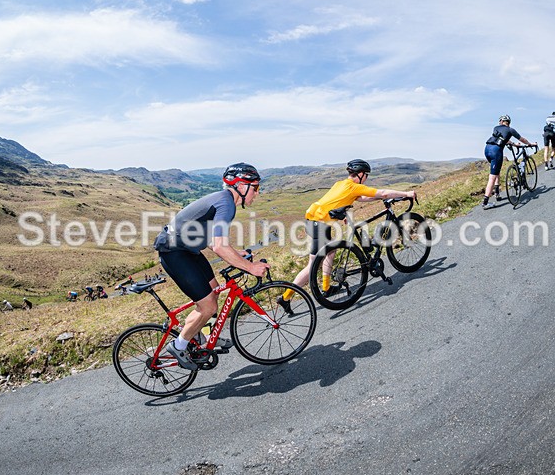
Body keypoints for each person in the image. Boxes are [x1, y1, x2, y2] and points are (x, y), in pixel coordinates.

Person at [153, 162, 270, 370]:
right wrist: (250, 268)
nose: (257, 193)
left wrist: (236, 254)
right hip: (174, 253)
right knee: (208, 305)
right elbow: (218, 246)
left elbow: (207, 233)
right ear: (241, 186)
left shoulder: (224, 200)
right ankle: (179, 345)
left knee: (214, 291)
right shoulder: (227, 204)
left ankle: (203, 339)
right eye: (255, 188)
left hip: (188, 250)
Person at [278, 159, 417, 305]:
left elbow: (356, 198)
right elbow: (381, 193)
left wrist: (344, 211)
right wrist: (406, 193)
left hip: (313, 221)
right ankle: (285, 297)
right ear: (361, 174)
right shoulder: (353, 187)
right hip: (320, 224)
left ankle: (326, 287)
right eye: (367, 175)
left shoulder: (341, 183)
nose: (367, 178)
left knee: (330, 252)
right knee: (313, 265)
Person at [482, 115, 538, 209]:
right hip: (496, 151)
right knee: (492, 177)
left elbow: (503, 138)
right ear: (508, 122)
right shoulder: (511, 130)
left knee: (496, 172)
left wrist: (513, 144)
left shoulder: (496, 128)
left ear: (501, 121)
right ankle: (485, 202)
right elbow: (522, 139)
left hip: (487, 149)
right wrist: (530, 144)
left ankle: (497, 193)